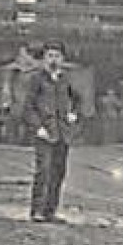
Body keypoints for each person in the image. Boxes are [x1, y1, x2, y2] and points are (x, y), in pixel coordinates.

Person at [25, 39, 81, 221]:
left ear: (63, 59)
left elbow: (78, 100)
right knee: (43, 171)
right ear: (43, 59)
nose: (53, 60)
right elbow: (28, 107)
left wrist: (73, 114)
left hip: (63, 134)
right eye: (49, 56)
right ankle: (37, 211)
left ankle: (51, 211)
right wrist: (38, 127)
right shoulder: (36, 79)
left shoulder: (66, 80)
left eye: (57, 56)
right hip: (45, 133)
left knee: (58, 172)